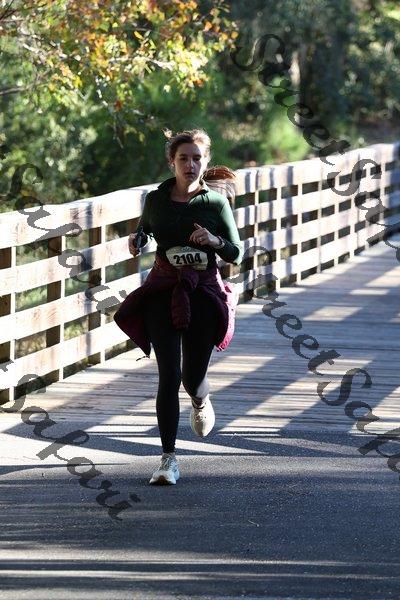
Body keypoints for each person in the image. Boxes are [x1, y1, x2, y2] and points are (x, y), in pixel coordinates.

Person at [114, 128, 244, 485]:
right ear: (172, 162)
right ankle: (168, 458)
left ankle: (200, 400)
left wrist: (214, 240)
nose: (190, 164)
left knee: (191, 378)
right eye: (183, 158)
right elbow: (144, 230)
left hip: (201, 292)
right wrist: (137, 240)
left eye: (196, 158)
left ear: (205, 161)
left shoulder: (215, 204)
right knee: (169, 374)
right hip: (163, 289)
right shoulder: (156, 200)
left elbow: (236, 252)